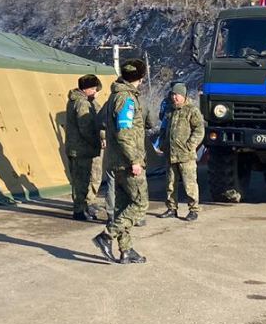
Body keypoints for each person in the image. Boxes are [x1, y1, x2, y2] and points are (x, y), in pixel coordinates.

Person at [94, 58, 149, 264]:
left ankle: (126, 250)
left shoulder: (114, 96)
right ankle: (107, 236)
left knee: (123, 206)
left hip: (116, 161)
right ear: (140, 78)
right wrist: (135, 160)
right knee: (140, 204)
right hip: (127, 162)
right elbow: (124, 133)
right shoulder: (126, 99)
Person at [160, 83, 206, 222]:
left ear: (183, 96)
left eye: (177, 95)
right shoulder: (170, 111)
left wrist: (190, 145)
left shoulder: (191, 110)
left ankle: (193, 210)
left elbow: (199, 130)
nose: (175, 97)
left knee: (189, 184)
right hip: (170, 154)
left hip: (186, 155)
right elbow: (164, 129)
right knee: (170, 183)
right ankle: (171, 208)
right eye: (173, 95)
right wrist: (162, 144)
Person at [65, 74, 103, 221]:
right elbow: (85, 127)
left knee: (80, 180)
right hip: (81, 149)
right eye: (93, 88)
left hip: (76, 148)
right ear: (86, 89)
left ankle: (82, 208)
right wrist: (96, 142)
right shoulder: (82, 104)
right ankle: (79, 211)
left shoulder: (74, 101)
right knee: (81, 181)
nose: (95, 92)